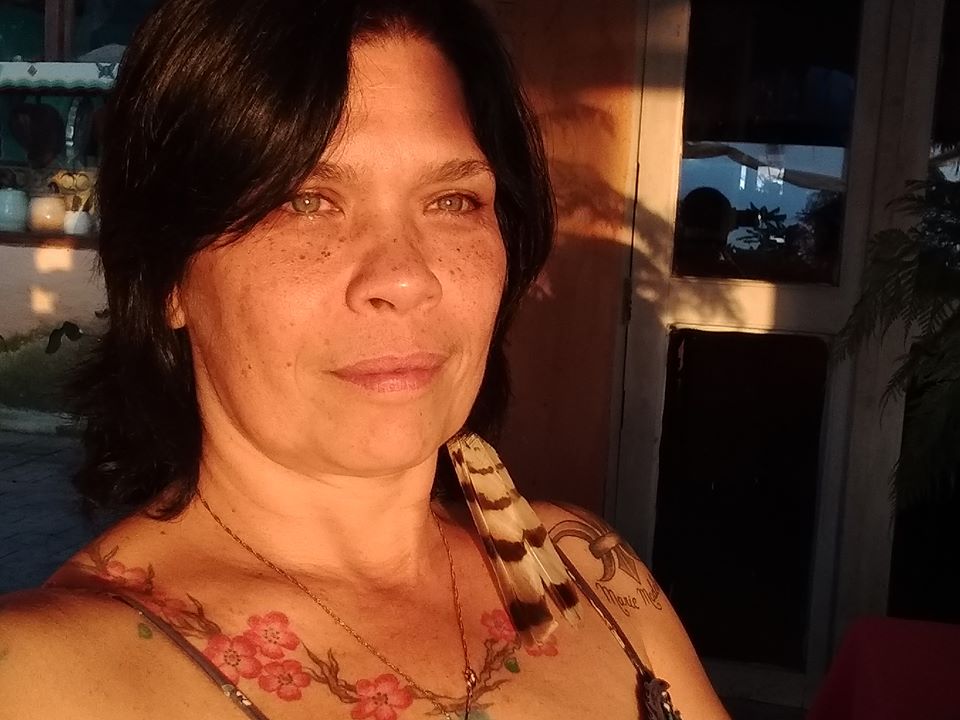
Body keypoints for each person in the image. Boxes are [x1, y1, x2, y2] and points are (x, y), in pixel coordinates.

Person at [0, 1, 731, 718]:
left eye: (453, 200)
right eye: (305, 201)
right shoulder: (42, 676)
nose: (406, 277)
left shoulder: (590, 573)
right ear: (167, 277)